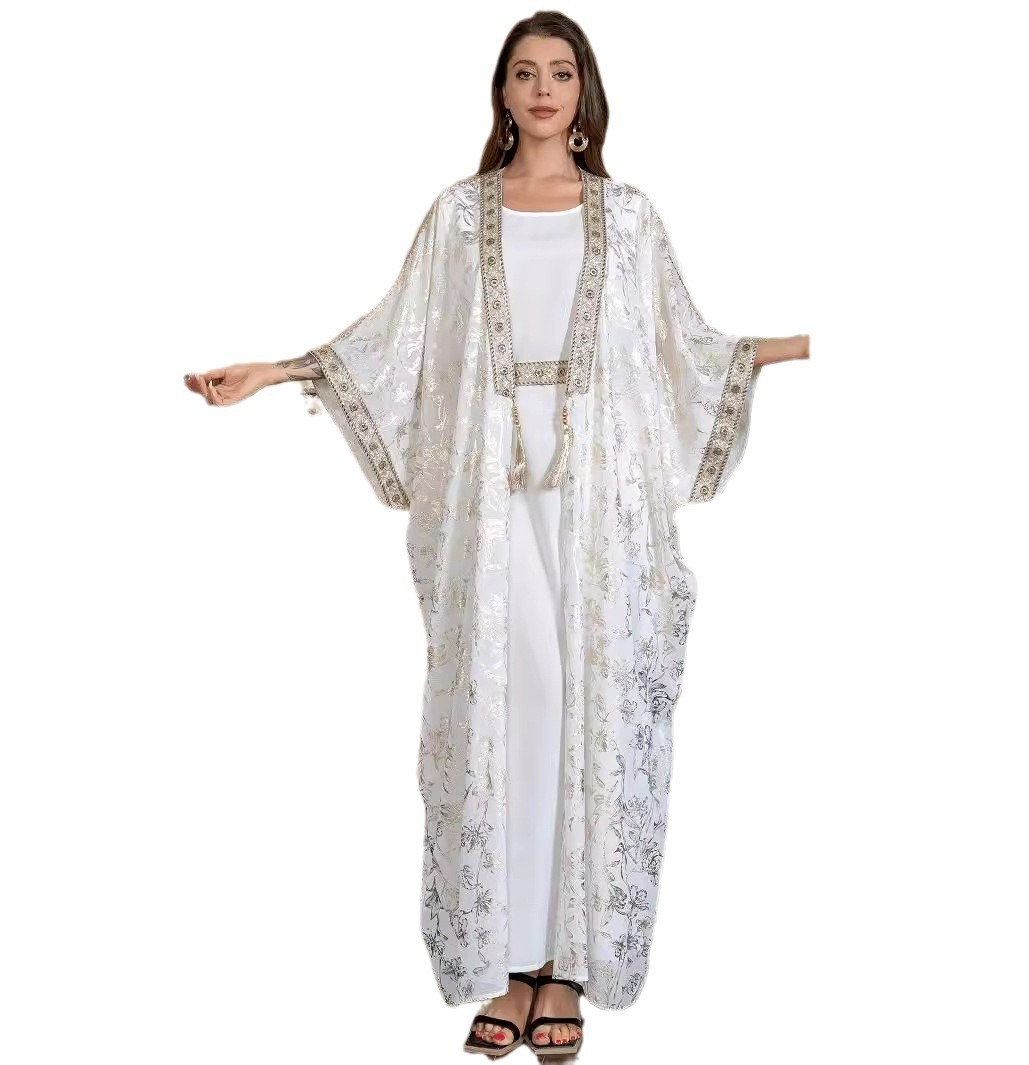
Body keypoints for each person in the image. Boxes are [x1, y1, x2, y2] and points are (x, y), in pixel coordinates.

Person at [183, 11, 809, 1058]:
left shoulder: (630, 217)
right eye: (525, 72)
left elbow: (683, 346)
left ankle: (564, 964)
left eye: (561, 72)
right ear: (503, 92)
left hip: (598, 503)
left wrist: (800, 344)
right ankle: (513, 964)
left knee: (583, 702)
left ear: (585, 91)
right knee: (511, 698)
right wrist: (277, 372)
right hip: (488, 495)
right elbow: (394, 337)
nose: (543, 88)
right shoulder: (457, 214)